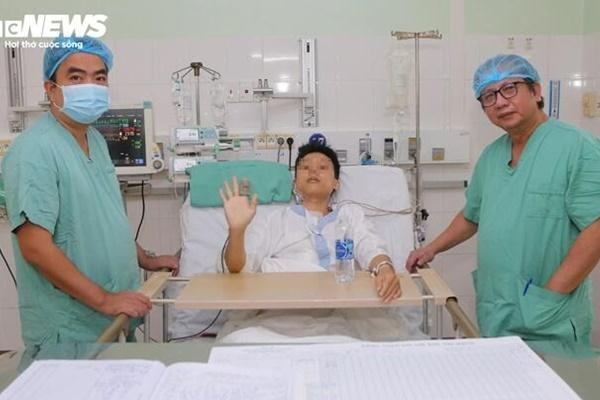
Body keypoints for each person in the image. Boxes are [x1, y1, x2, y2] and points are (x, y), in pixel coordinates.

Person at [406, 54, 600, 343]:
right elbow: (472, 215)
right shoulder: (492, 156)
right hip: (498, 311)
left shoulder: (577, 148)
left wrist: (550, 297)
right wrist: (431, 249)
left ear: (536, 91)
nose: (499, 102)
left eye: (509, 88)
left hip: (550, 316)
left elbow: (596, 228)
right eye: (488, 96)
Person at [2, 36, 179, 345]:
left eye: (99, 77)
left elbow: (105, 220)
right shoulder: (34, 150)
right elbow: (35, 247)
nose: (90, 86)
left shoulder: (94, 140)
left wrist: (145, 259)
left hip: (110, 317)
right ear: (50, 89)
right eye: (75, 77)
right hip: (71, 327)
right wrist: (105, 300)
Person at [215, 143, 412, 342]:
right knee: (245, 341)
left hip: (344, 315)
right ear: (295, 184)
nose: (313, 171)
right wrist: (236, 231)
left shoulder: (350, 216)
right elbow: (238, 268)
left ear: (336, 183)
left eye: (323, 167)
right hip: (282, 317)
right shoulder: (275, 219)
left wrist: (384, 268)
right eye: (305, 167)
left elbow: (370, 246)